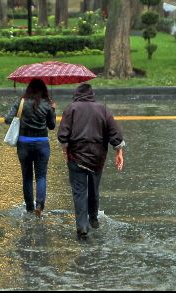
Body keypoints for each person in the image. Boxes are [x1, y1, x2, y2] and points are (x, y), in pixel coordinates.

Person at [58, 83, 125, 239]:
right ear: (91, 94)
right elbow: (114, 132)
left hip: (75, 157)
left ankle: (82, 226)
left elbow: (63, 135)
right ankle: (93, 218)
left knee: (79, 192)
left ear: (76, 94)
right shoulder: (103, 109)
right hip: (97, 157)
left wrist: (64, 150)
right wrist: (119, 151)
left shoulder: (71, 109)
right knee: (94, 188)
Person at [4, 78, 57, 217]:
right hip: (41, 143)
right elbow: (52, 126)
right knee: (41, 176)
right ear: (43, 90)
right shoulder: (47, 104)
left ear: (29, 89)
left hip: (24, 144)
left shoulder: (21, 102)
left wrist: (21, 118)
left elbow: (7, 119)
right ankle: (39, 205)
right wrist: (53, 110)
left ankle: (29, 207)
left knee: (27, 177)